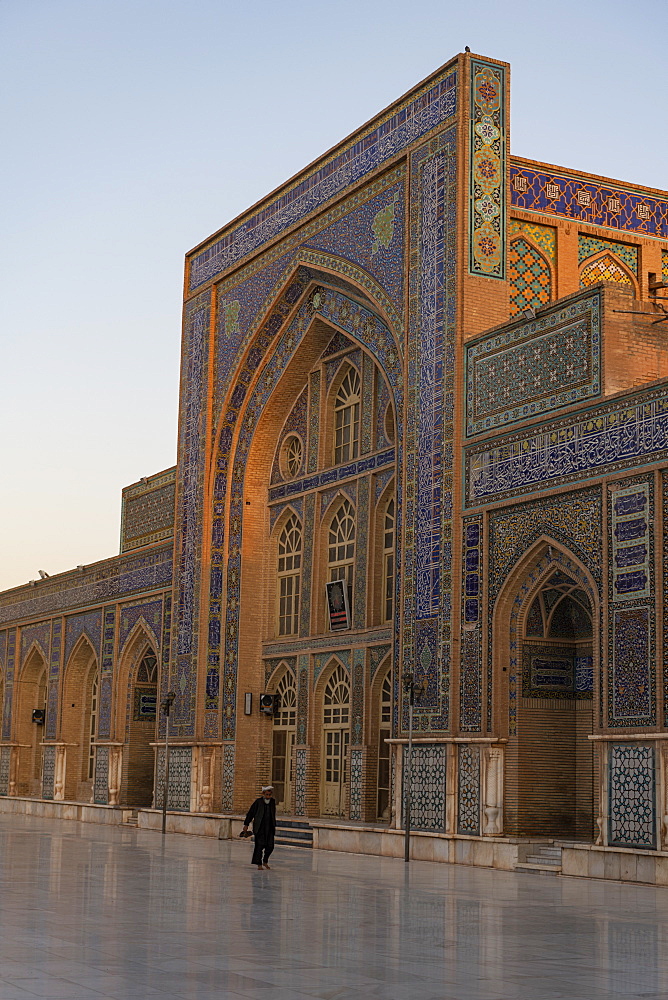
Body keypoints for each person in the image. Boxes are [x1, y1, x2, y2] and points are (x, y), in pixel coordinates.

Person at [242, 785, 276, 869]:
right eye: (267, 794)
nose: (268, 796)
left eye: (269, 795)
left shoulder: (272, 802)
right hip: (260, 828)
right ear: (263, 794)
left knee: (270, 846)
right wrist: (246, 824)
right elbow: (251, 813)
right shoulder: (258, 802)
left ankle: (265, 861)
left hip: (270, 828)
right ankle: (259, 864)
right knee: (259, 846)